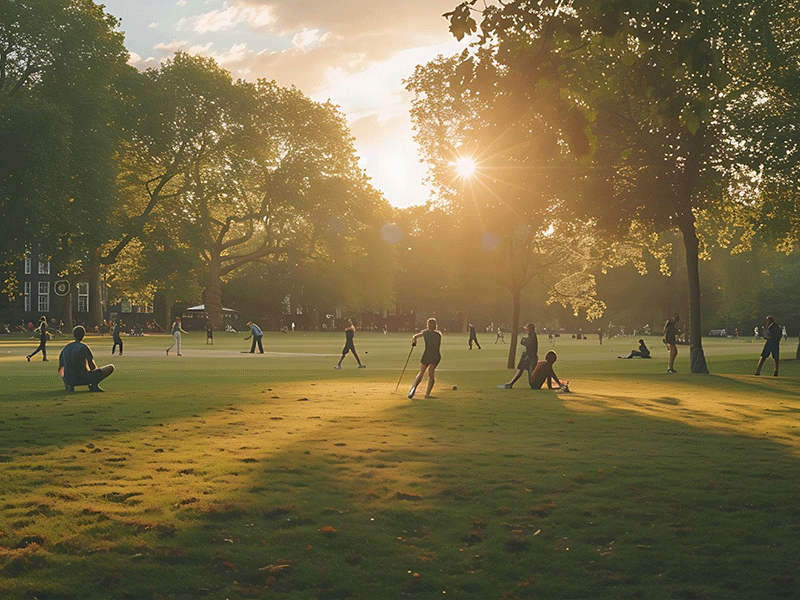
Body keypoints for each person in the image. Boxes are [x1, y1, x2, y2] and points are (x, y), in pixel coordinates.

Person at [59, 325, 114, 392]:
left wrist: (66, 380)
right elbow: (92, 366)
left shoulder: (65, 348)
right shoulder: (83, 347)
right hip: (83, 379)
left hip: (69, 380)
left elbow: (61, 368)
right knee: (110, 367)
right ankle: (94, 385)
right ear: (83, 335)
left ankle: (69, 386)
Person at [408, 318, 442, 399]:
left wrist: (414, 343)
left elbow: (415, 336)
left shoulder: (425, 332)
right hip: (435, 355)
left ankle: (413, 388)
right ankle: (427, 394)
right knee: (431, 375)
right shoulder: (439, 334)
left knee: (421, 372)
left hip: (427, 355)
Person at [500, 323, 538, 388]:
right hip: (529, 357)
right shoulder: (531, 335)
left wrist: (523, 340)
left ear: (530, 329)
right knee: (521, 370)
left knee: (530, 375)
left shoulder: (532, 336)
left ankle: (511, 384)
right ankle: (511, 384)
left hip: (530, 358)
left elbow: (527, 343)